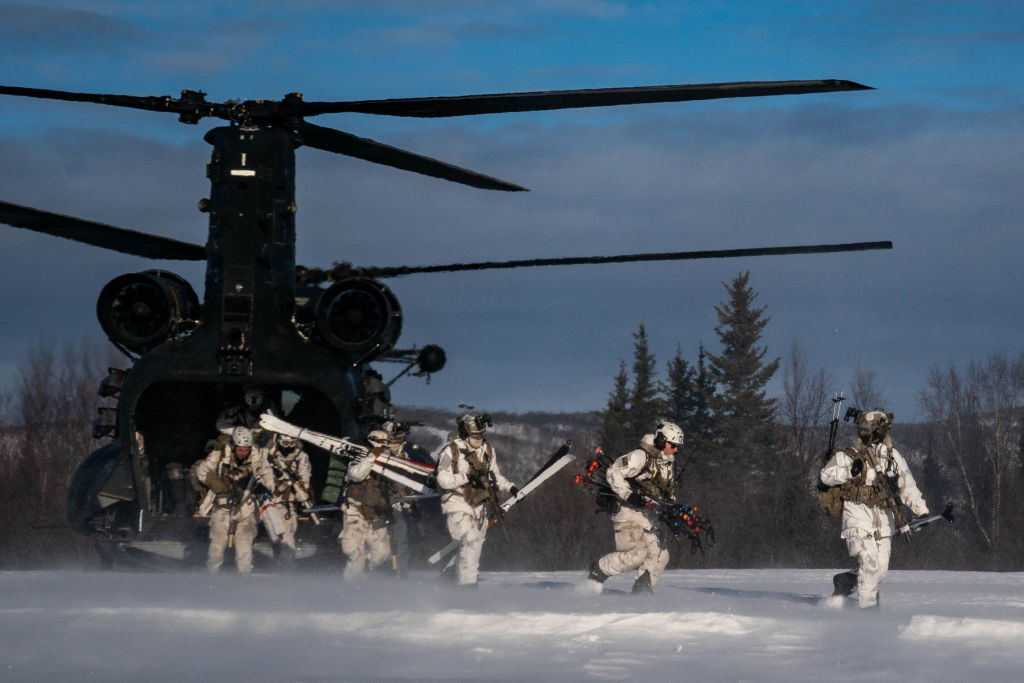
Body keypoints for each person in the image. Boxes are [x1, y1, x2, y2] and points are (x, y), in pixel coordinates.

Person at [820, 409, 929, 609]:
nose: (861, 433)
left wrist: (921, 510)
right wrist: (849, 472)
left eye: (866, 429)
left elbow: (907, 485)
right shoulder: (850, 455)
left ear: (878, 430)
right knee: (869, 566)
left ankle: (846, 582)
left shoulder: (892, 456)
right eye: (860, 429)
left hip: (884, 518)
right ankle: (868, 615)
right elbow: (826, 475)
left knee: (880, 571)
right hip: (857, 514)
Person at [587, 422, 684, 594]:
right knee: (637, 554)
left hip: (648, 516)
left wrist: (672, 509)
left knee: (661, 554)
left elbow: (666, 493)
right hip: (627, 511)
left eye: (678, 447)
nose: (676, 450)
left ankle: (642, 590)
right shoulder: (640, 456)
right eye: (673, 445)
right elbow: (613, 472)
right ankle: (599, 569)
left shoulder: (667, 464)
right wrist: (628, 495)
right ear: (662, 441)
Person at [435, 413, 518, 588]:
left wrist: (510, 487)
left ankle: (457, 581)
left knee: (475, 546)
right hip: (457, 503)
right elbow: (442, 479)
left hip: (479, 506)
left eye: (481, 434)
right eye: (475, 435)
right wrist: (467, 478)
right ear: (465, 433)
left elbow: (496, 476)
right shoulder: (450, 451)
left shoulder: (487, 450)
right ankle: (466, 586)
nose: (479, 438)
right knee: (470, 540)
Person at [194, 426, 275, 574]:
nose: (243, 453)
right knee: (216, 550)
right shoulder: (219, 456)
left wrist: (262, 488)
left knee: (244, 553)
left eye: (246, 449)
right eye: (240, 449)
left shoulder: (258, 461)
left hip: (246, 511)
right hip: (222, 509)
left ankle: (243, 583)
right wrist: (215, 483)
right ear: (233, 446)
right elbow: (201, 471)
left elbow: (269, 479)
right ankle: (211, 579)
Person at [338, 430, 394, 580]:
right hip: (355, 511)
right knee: (354, 552)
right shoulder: (360, 456)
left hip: (376, 513)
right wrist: (372, 456)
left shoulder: (389, 462)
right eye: (384, 443)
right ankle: (351, 588)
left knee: (382, 553)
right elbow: (356, 474)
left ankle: (368, 573)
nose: (386, 446)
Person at [267, 433, 313, 567]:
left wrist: (290, 484)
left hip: (286, 504)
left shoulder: (301, 457)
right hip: (268, 502)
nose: (288, 447)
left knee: (286, 537)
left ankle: (287, 571)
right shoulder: (269, 455)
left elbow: (304, 483)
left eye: (291, 443)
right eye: (285, 443)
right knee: (274, 538)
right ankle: (279, 566)